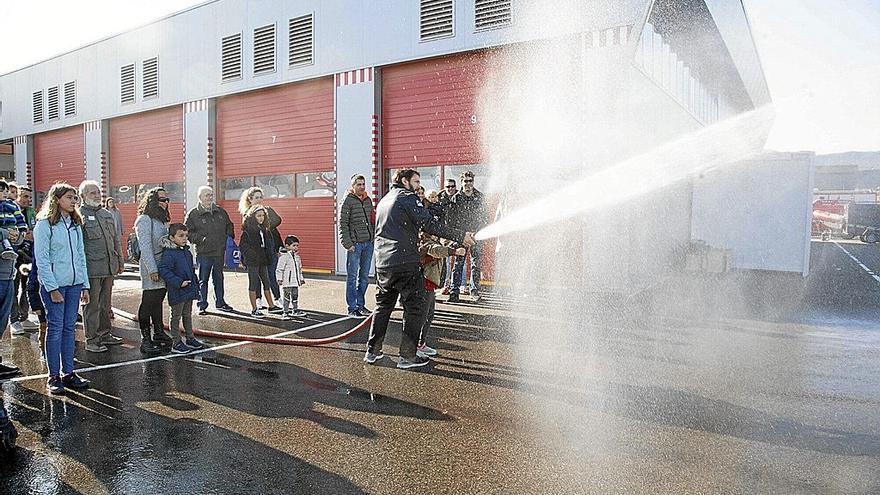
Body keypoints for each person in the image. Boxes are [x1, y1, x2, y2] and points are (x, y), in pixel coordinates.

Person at [364, 168, 474, 370]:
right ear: (405, 181)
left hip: (383, 264)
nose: (418, 185)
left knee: (383, 308)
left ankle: (372, 351)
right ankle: (407, 357)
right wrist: (460, 236)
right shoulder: (406, 198)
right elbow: (429, 224)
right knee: (415, 309)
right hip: (405, 262)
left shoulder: (384, 200)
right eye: (416, 181)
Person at [34, 183, 91, 394]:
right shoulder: (44, 225)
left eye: (75, 197)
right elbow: (42, 259)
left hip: (74, 285)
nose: (74, 200)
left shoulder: (75, 223)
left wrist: (85, 284)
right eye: (69, 197)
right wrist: (52, 288)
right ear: (57, 199)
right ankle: (54, 376)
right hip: (55, 286)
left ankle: (69, 372)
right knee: (55, 329)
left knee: (69, 329)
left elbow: (80, 256)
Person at [78, 180, 125, 353]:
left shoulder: (106, 214)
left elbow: (115, 240)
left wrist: (120, 261)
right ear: (83, 196)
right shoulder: (79, 215)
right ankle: (92, 339)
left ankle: (105, 334)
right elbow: (79, 246)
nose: (97, 195)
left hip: (109, 266)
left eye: (98, 192)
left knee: (106, 304)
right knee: (92, 305)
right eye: (92, 193)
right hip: (91, 269)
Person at [184, 185, 235, 315]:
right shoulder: (193, 214)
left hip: (219, 251)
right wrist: (202, 239)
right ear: (200, 197)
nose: (210, 197)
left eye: (211, 195)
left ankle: (220, 302)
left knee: (219, 278)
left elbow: (230, 225)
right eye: (207, 195)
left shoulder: (220, 211)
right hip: (204, 252)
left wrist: (228, 238)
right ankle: (202, 304)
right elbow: (188, 233)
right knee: (203, 279)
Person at [157, 223, 205, 354]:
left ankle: (190, 338)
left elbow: (191, 270)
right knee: (176, 316)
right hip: (177, 290)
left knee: (187, 315)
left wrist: (195, 284)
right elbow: (164, 270)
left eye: (186, 235)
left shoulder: (186, 252)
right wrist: (178, 282)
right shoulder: (169, 253)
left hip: (188, 289)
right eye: (181, 236)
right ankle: (176, 342)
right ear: (172, 238)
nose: (184, 238)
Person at [417, 229, 466, 358]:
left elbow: (444, 242)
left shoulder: (434, 238)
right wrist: (454, 252)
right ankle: (415, 345)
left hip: (430, 284)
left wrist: (459, 242)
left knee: (429, 315)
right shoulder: (424, 242)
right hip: (422, 283)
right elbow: (437, 251)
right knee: (421, 316)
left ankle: (421, 344)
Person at [135, 187, 171, 355]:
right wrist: (152, 269)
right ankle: (145, 338)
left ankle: (158, 332)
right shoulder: (144, 220)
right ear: (153, 201)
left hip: (164, 264)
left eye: (166, 200)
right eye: (162, 199)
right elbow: (145, 247)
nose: (165, 202)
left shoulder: (161, 219)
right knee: (149, 301)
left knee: (158, 299)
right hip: (152, 265)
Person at [239, 187, 282, 307]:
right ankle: (258, 300)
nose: (259, 200)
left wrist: (265, 221)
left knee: (270, 274)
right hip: (255, 252)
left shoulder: (266, 210)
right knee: (256, 278)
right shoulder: (247, 214)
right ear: (250, 199)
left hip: (268, 248)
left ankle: (276, 298)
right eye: (256, 197)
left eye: (260, 197)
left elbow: (278, 221)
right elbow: (245, 238)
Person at [338, 174, 374, 318]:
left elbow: (372, 220)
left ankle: (361, 305)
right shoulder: (347, 201)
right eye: (358, 184)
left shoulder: (367, 200)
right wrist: (347, 243)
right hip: (355, 245)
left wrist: (372, 238)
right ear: (353, 186)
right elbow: (342, 224)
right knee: (352, 277)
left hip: (368, 244)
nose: (362, 187)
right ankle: (352, 308)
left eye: (363, 184)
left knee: (364, 277)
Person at [448, 170, 486, 303]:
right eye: (465, 181)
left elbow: (484, 218)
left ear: (473, 182)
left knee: (476, 264)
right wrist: (458, 235)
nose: (468, 184)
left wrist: (478, 232)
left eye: (470, 181)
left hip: (476, 236)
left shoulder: (480, 197)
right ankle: (454, 293)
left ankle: (474, 291)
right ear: (461, 182)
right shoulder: (456, 198)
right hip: (461, 236)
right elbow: (451, 220)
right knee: (458, 264)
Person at [0, 227, 23, 378]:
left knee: (1, 323)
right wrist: (7, 233)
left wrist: (17, 234)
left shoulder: (9, 211)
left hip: (7, 277)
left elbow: (21, 238)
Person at [276, 235, 306, 319]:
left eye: (297, 245)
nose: (296, 247)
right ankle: (285, 312)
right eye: (294, 245)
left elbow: (299, 270)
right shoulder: (284, 257)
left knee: (295, 296)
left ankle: (295, 310)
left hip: (295, 282)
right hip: (287, 283)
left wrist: (301, 279)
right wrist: (279, 279)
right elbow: (279, 269)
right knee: (286, 298)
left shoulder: (297, 257)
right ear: (287, 246)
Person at [438, 178, 459, 295]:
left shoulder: (459, 197)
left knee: (458, 259)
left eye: (452, 186)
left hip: (457, 233)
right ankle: (445, 285)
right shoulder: (439, 198)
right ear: (444, 187)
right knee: (444, 260)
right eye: (448, 187)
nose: (450, 189)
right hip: (444, 234)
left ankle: (459, 285)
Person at [104, 196, 124, 321]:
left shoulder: (117, 212)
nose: (111, 204)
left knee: (108, 288)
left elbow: (120, 223)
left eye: (112, 202)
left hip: (115, 237)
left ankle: (108, 310)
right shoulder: (105, 213)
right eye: (109, 202)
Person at [0, 180, 26, 261]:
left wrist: (23, 230)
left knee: (13, 240)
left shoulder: (12, 205)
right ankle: (8, 250)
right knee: (5, 239)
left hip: (12, 228)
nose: (5, 193)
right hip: (2, 228)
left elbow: (19, 218)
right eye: (1, 191)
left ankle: (11, 253)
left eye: (7, 191)